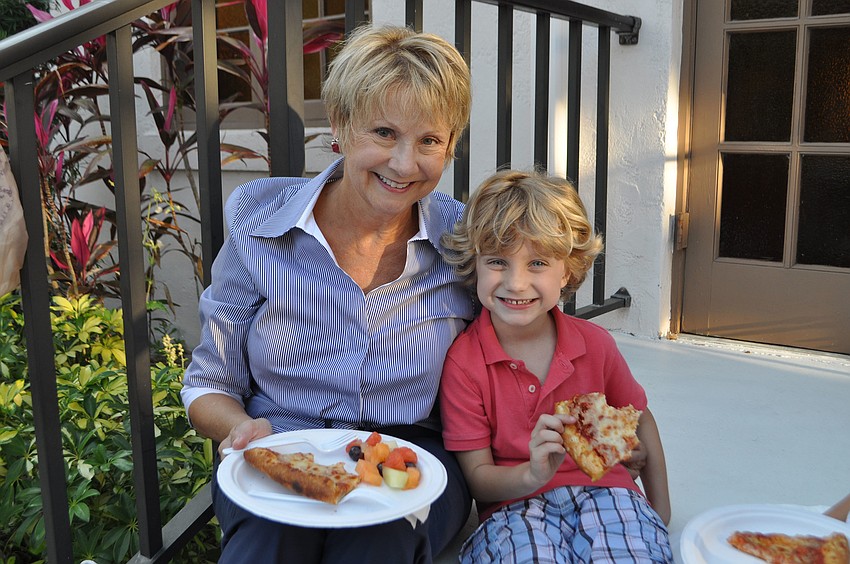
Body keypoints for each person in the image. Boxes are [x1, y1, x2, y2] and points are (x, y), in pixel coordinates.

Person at [181, 24, 474, 563]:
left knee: (378, 542)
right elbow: (209, 382)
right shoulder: (261, 221)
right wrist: (243, 428)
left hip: (413, 455)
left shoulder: (466, 241)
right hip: (283, 444)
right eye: (383, 133)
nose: (405, 164)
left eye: (429, 140)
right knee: (268, 543)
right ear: (339, 125)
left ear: (450, 146)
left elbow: (524, 332)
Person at [438, 169, 673, 563]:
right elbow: (478, 476)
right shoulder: (464, 363)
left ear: (567, 270)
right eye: (497, 261)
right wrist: (531, 475)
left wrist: (658, 510)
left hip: (610, 492)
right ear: (473, 264)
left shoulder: (595, 344)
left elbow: (640, 419)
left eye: (537, 263)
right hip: (514, 508)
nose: (515, 283)